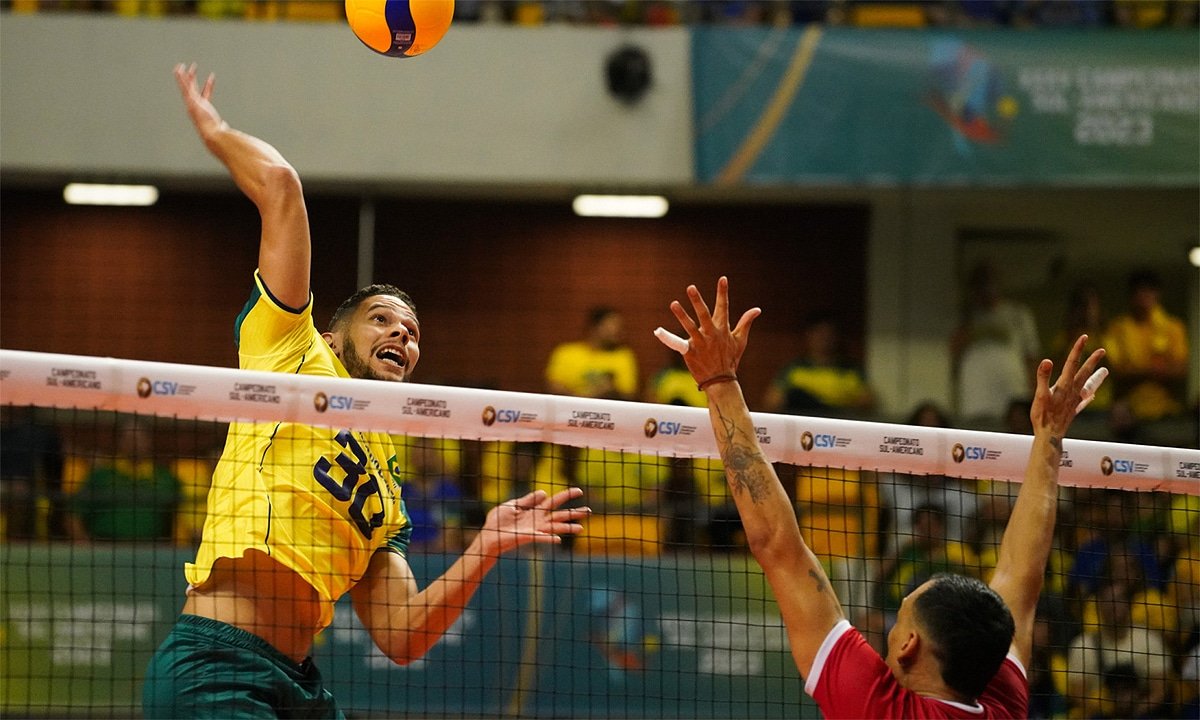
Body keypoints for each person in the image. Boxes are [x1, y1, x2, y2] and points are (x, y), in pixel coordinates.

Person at [143, 64, 589, 718]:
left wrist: (485, 545)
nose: (402, 335)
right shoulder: (290, 352)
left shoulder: (384, 477)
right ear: (333, 331)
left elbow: (403, 634)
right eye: (382, 318)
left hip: (298, 685)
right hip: (219, 665)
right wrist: (216, 130)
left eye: (412, 331)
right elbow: (281, 188)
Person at [654, 276, 1107, 718]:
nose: (891, 629)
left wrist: (718, 380)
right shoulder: (1002, 704)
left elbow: (777, 543)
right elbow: (1020, 576)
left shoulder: (878, 707)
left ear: (909, 646)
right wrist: (1051, 435)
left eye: (902, 617)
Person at [951, 261, 1040, 424]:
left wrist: (1034, 394)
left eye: (990, 281)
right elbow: (953, 351)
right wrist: (967, 316)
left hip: (1013, 397)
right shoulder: (965, 317)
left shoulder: (1018, 314)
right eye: (980, 282)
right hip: (976, 400)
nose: (986, 287)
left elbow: (1031, 358)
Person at [68, 419, 181, 542]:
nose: (134, 442)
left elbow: (181, 515)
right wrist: (82, 542)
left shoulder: (165, 478)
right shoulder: (101, 476)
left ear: (149, 440)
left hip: (152, 548)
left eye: (139, 437)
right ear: (119, 441)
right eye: (128, 437)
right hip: (104, 547)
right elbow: (74, 513)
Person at [1102, 268, 1189, 422]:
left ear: (1158, 294)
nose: (1144, 296)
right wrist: (1153, 371)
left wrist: (1137, 370)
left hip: (1167, 410)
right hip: (1128, 412)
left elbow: (1181, 370)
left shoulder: (1173, 327)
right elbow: (1116, 371)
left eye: (1149, 291)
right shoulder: (1118, 328)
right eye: (1139, 291)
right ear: (1131, 295)